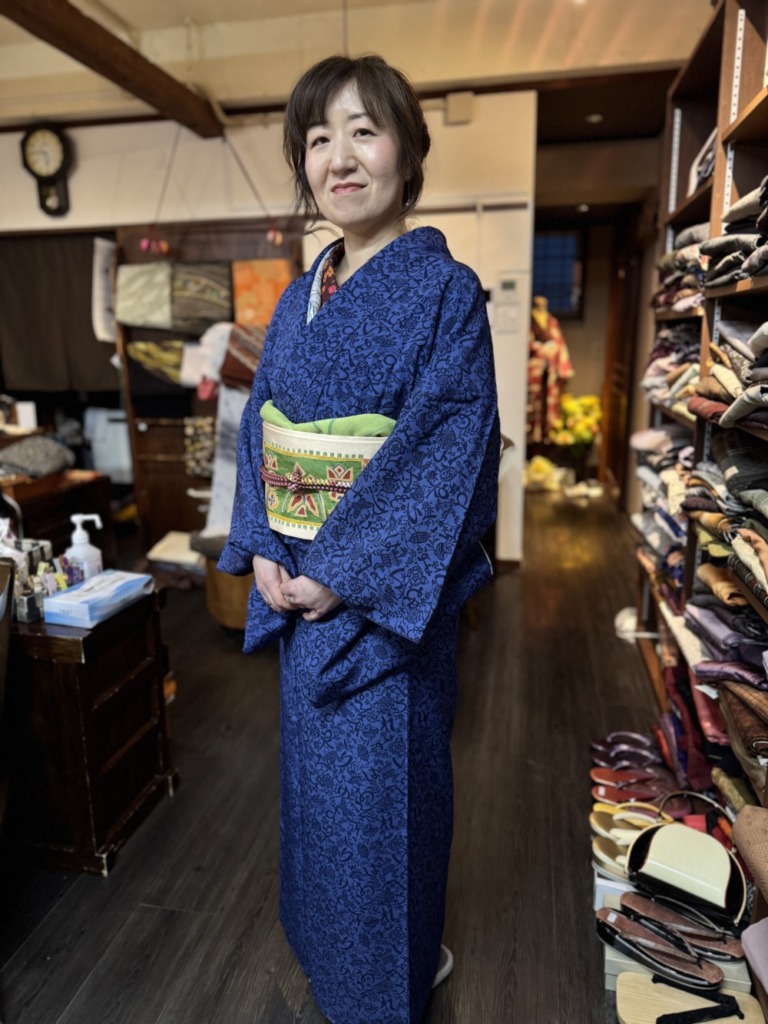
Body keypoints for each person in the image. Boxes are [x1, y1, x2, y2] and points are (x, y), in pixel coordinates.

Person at [219, 53, 499, 1024]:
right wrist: (263, 541)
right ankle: (329, 951)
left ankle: (387, 985)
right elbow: (260, 428)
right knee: (318, 801)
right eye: (318, 138)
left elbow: (450, 448)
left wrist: (341, 571)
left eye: (363, 131)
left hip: (382, 608)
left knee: (389, 805)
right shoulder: (299, 296)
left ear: (407, 153)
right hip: (297, 587)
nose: (339, 158)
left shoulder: (445, 292)